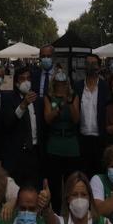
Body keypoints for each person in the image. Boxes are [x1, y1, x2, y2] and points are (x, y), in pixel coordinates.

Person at [44, 64, 80, 212]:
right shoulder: (48, 97)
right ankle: (56, 213)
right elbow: (47, 119)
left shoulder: (74, 96)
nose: (61, 86)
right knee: (54, 184)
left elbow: (76, 119)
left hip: (71, 144)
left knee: (71, 183)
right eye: (58, 83)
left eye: (64, 83)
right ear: (54, 83)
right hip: (54, 144)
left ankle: (72, 212)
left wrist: (69, 102)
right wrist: (58, 108)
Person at [2, 66, 42, 187]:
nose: (26, 82)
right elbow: (8, 124)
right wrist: (23, 105)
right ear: (16, 82)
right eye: (22, 79)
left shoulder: (37, 100)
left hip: (34, 152)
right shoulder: (9, 99)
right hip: (18, 154)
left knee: (34, 187)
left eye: (28, 78)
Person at [74, 54, 109, 179]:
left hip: (100, 139)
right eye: (88, 64)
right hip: (82, 138)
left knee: (99, 174)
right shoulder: (77, 86)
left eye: (94, 64)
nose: (90, 67)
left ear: (99, 66)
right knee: (82, 175)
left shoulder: (105, 87)